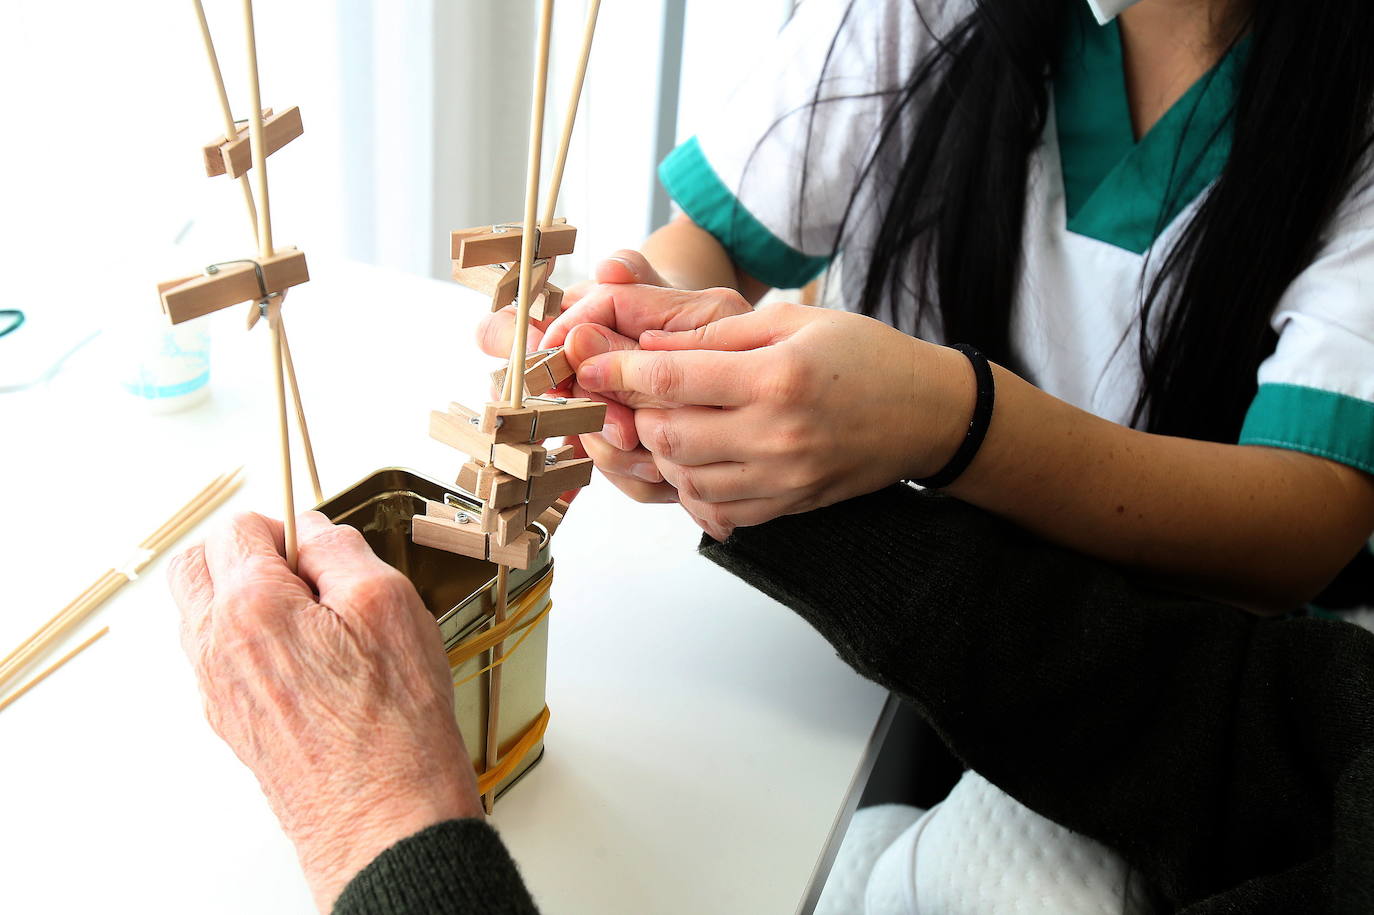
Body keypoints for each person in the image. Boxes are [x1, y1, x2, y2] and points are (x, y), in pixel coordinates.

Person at [171, 0, 1374, 911]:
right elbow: (707, 251)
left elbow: (1308, 520)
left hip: (1179, 699)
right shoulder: (929, 17)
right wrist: (635, 343)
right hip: (872, 653)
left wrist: (951, 425)